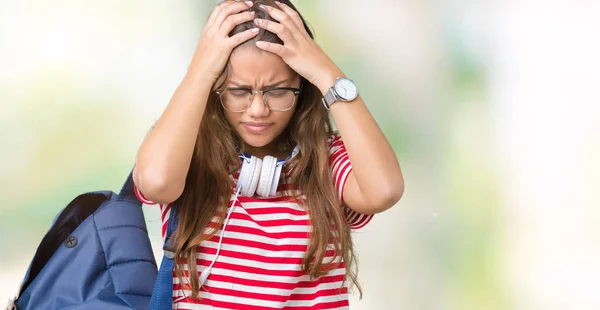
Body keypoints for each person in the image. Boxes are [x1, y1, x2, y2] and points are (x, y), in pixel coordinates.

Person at [132, 0, 404, 308]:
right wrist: (199, 71)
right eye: (239, 91)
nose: (258, 110)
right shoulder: (188, 151)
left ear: (303, 85)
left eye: (277, 91)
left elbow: (385, 190)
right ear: (214, 88)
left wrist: (328, 74)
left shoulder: (328, 159)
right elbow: (156, 181)